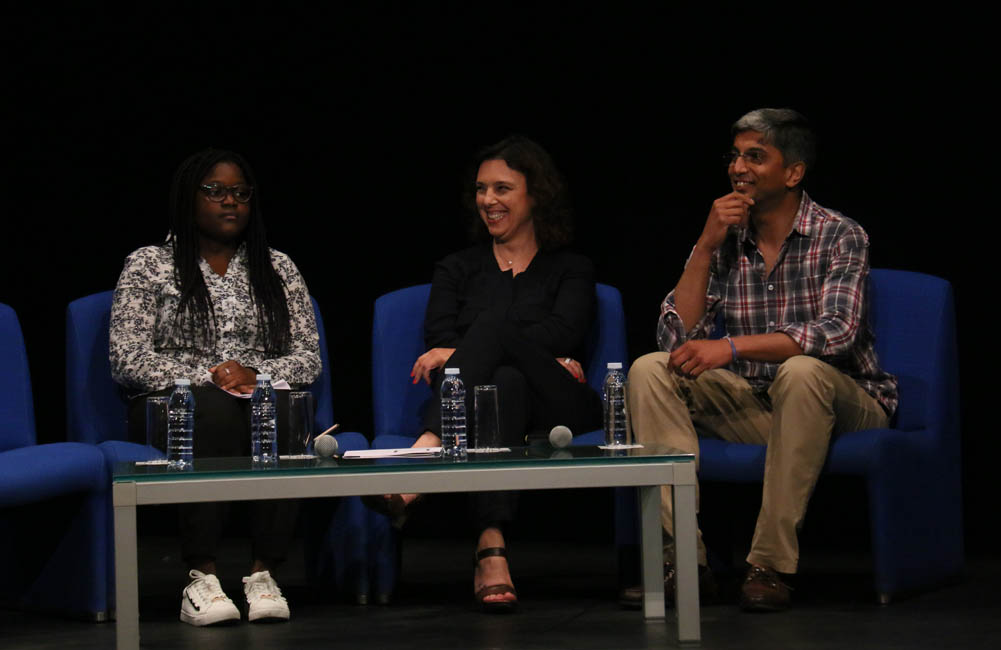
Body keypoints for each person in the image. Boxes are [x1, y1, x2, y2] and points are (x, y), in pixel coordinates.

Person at [626, 109, 897, 612]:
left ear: (794, 172)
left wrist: (732, 348)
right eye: (734, 156)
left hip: (846, 407)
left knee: (802, 371)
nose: (738, 168)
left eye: (756, 156)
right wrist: (705, 246)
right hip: (759, 405)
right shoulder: (727, 241)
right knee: (649, 370)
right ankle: (684, 559)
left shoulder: (840, 234)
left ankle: (769, 566)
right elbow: (676, 337)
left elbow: (835, 333)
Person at [367, 135, 602, 613]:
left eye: (502, 189)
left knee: (494, 328)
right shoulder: (456, 268)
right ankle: (491, 550)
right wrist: (519, 349)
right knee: (504, 383)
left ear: (535, 194)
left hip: (561, 404)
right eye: (481, 189)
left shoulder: (571, 268)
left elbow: (564, 329)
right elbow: (437, 334)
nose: (488, 201)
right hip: (493, 400)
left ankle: (427, 447)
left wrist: (475, 343)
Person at [109, 148, 322, 625]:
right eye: (216, 191)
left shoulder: (277, 267)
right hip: (171, 404)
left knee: (283, 409)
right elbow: (126, 358)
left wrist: (256, 375)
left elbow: (309, 357)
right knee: (213, 409)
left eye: (241, 193)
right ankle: (200, 576)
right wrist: (208, 377)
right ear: (189, 197)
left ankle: (263, 573)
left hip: (255, 400)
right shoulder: (149, 264)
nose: (231, 202)